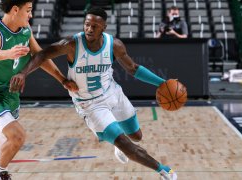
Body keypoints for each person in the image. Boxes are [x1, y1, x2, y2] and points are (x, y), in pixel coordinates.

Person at [10, 7, 177, 180]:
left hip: (113, 94)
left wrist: (162, 83)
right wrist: (23, 73)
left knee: (136, 136)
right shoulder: (72, 44)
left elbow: (133, 68)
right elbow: (42, 55)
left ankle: (119, 143)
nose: (89, 29)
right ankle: (164, 170)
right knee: (124, 142)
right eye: (87, 24)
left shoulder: (115, 45)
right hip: (89, 105)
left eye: (95, 26)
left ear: (104, 27)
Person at [0, 0, 78, 179]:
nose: (30, 15)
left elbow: (40, 56)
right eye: (28, 10)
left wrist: (62, 79)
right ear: (15, 9)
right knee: (17, 136)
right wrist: (8, 53)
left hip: (10, 91)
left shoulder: (25, 29)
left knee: (3, 133)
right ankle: (0, 172)